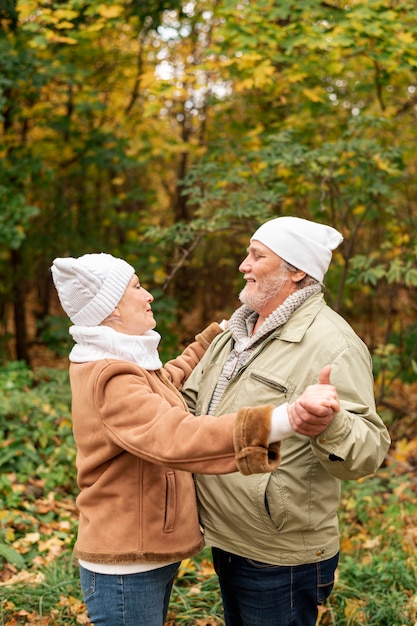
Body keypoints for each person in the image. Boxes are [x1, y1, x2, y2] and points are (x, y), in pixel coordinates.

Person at [50, 252, 338, 626]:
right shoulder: (111, 377)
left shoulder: (120, 362)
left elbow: (163, 384)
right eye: (137, 287)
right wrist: (282, 419)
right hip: (125, 563)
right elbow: (174, 436)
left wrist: (207, 343)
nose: (149, 295)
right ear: (112, 310)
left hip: (145, 552)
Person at [181, 216, 391, 626]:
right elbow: (195, 401)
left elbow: (368, 452)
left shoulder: (334, 345)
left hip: (279, 556)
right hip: (226, 535)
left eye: (257, 256)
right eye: (247, 253)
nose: (243, 265)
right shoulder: (237, 329)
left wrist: (328, 426)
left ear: (296, 272)